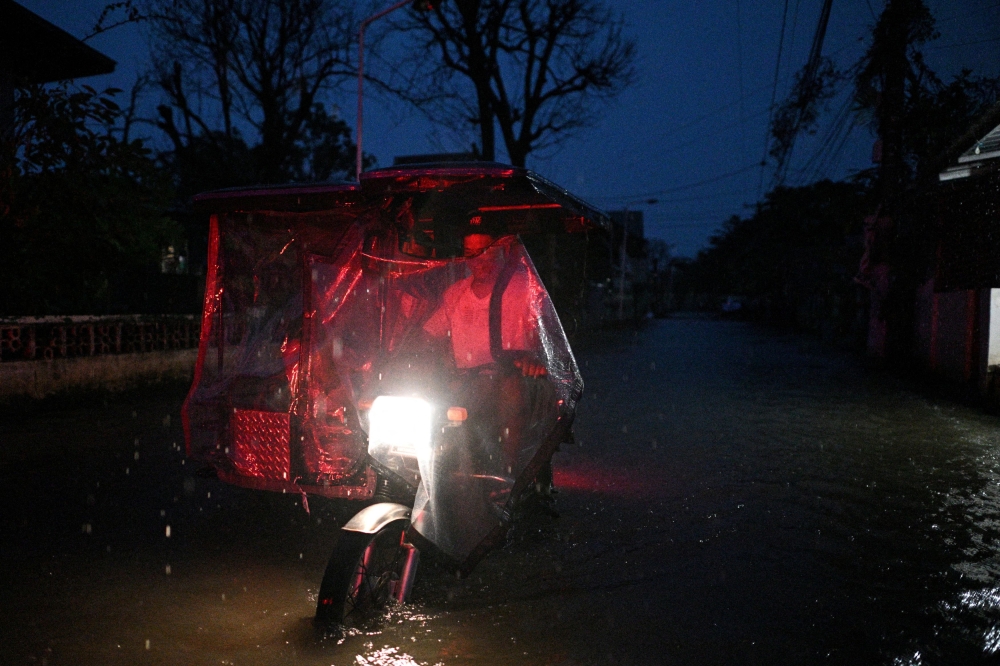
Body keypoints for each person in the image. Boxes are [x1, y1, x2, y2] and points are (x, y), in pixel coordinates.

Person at [422, 233, 549, 472]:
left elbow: (546, 337)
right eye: (471, 253)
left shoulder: (526, 289)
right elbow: (428, 336)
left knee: (510, 392)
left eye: (487, 251)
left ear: (502, 251)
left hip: (517, 380)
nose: (479, 260)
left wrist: (535, 359)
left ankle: (507, 475)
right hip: (466, 383)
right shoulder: (455, 294)